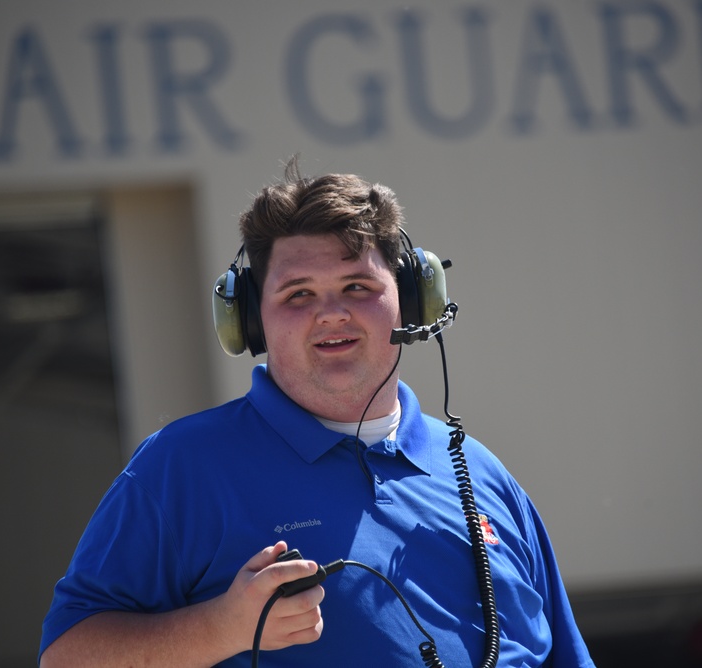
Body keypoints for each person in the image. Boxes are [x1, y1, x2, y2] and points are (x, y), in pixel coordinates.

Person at [39, 158, 595, 668]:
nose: (332, 314)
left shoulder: (482, 474)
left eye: (357, 286)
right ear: (252, 321)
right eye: (298, 294)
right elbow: (65, 658)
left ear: (410, 300)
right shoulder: (184, 467)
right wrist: (221, 629)